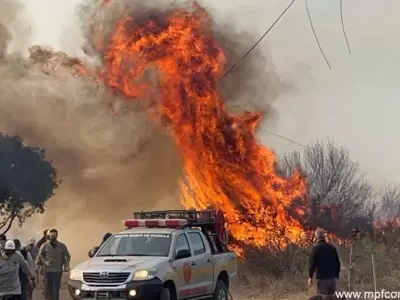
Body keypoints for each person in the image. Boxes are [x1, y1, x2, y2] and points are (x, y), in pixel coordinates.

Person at [36, 228, 71, 300]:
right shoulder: (44, 245)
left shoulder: (62, 246)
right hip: (47, 271)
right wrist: (44, 261)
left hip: (57, 271)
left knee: (55, 290)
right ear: (49, 236)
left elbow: (67, 256)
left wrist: (66, 265)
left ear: (57, 236)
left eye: (54, 236)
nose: (52, 238)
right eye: (51, 236)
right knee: (47, 290)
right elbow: (40, 255)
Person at [308, 229, 341, 296]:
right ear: (324, 237)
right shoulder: (332, 248)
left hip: (321, 280)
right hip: (332, 279)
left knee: (322, 298)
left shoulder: (315, 249)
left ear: (316, 238)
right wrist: (336, 275)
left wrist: (310, 277)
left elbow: (312, 264)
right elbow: (338, 263)